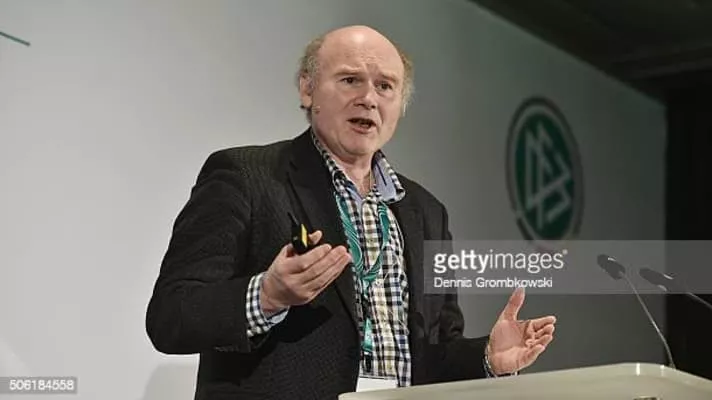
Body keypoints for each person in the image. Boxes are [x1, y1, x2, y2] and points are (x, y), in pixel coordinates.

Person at [145, 24, 556, 399]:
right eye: (350, 80)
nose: (368, 99)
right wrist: (267, 296)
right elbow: (171, 316)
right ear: (307, 89)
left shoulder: (427, 212)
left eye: (385, 86)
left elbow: (435, 354)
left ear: (400, 106)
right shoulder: (246, 176)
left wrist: (486, 357)